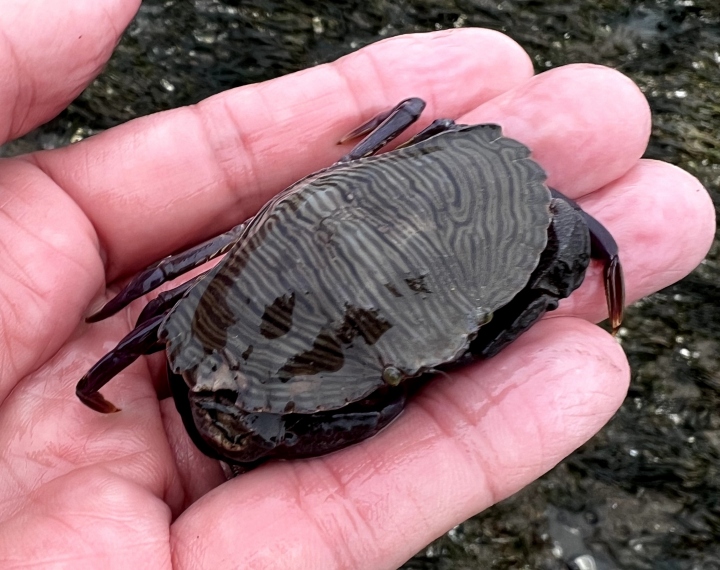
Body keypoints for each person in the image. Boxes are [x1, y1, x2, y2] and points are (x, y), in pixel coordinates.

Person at [0, 1, 714, 567]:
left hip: (403, 200)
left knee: (544, 254)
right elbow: (164, 304)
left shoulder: (458, 161)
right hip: (304, 246)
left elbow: (420, 124)